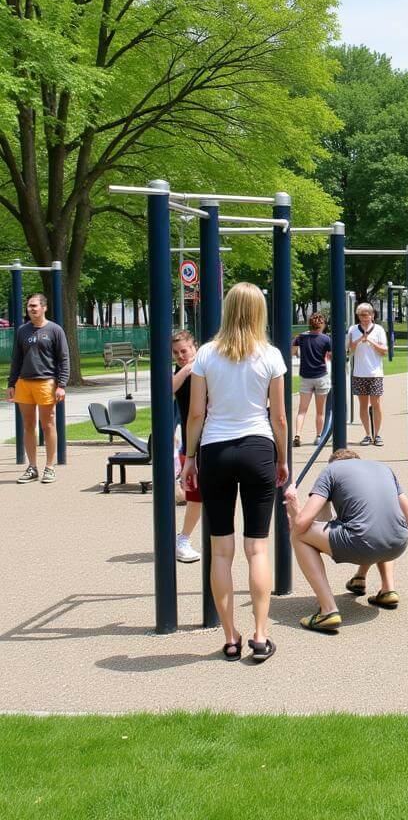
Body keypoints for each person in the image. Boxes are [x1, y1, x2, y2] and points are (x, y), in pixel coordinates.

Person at [179, 282, 288, 663]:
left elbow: (196, 413)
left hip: (216, 450)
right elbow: (278, 417)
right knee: (257, 547)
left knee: (221, 551)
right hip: (258, 448)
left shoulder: (206, 354)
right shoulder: (271, 356)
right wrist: (282, 458)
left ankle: (230, 637)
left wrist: (189, 457)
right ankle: (260, 634)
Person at [285, 449, 408, 628]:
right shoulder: (383, 468)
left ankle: (328, 611)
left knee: (298, 536)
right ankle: (385, 588)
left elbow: (304, 524)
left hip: (362, 542)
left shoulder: (331, 470)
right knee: (378, 526)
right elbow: (407, 514)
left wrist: (294, 509)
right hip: (399, 542)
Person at [7, 292, 69, 485]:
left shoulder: (55, 330)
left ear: (44, 307)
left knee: (48, 424)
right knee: (27, 426)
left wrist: (61, 385)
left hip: (46, 383)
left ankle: (49, 468)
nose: (31, 309)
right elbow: (16, 358)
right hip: (24, 383)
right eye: (29, 306)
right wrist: (11, 383)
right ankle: (32, 467)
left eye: (35, 306)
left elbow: (64, 359)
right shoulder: (22, 331)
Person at [171, 330, 202, 563]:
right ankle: (183, 539)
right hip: (192, 442)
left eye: (185, 350)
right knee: (195, 496)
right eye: (176, 353)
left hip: (214, 437)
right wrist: (186, 368)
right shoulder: (180, 374)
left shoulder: (207, 367)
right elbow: (168, 389)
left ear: (195, 347)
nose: (181, 355)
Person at [347, 303, 388, 447]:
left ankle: (377, 434)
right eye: (360, 315)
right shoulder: (353, 329)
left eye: (366, 315)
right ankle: (367, 434)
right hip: (359, 373)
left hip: (375, 373)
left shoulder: (379, 330)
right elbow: (349, 349)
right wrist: (359, 340)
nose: (363, 318)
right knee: (363, 405)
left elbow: (384, 351)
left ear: (372, 315)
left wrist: (370, 340)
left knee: (376, 404)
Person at [292, 312, 332, 446]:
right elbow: (331, 355)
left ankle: (297, 434)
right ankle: (318, 436)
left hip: (305, 376)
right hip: (321, 375)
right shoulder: (326, 339)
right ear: (322, 324)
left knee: (302, 410)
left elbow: (292, 351)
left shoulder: (301, 337)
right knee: (320, 411)